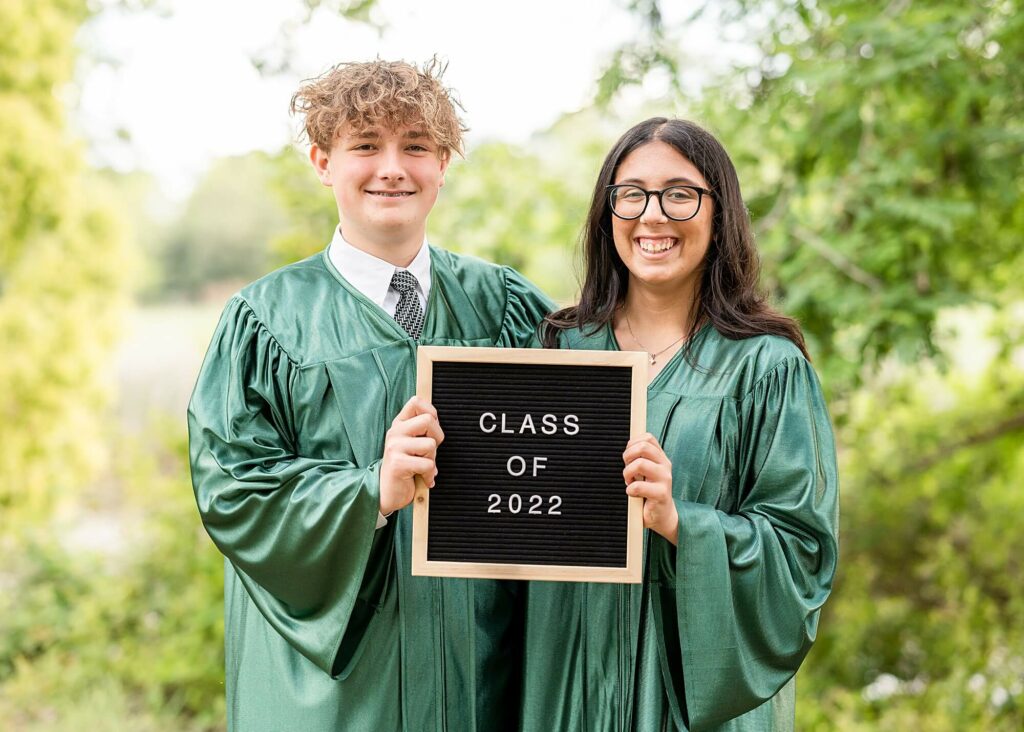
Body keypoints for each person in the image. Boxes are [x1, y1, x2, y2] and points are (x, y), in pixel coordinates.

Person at [187, 59, 552, 731]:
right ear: (323, 161)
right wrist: (370, 492)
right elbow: (234, 492)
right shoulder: (265, 321)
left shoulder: (503, 304)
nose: (392, 168)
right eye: (365, 145)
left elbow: (582, 433)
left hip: (479, 668)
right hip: (338, 690)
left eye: (415, 145)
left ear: (443, 164)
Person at [521, 118, 839, 731]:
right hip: (566, 679)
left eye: (680, 193)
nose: (653, 216)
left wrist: (679, 523)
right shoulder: (560, 348)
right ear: (607, 211)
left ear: (720, 213)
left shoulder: (766, 368)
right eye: (632, 193)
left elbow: (800, 553)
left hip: (693, 701)